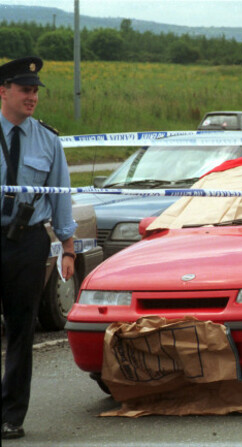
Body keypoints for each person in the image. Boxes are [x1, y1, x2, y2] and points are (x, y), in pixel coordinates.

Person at [1, 57, 77, 440]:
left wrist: (68, 247)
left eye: (35, 91)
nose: (32, 97)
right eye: (24, 89)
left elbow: (61, 195)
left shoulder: (48, 140)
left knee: (20, 329)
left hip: (27, 242)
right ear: (3, 91)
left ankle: (11, 415)